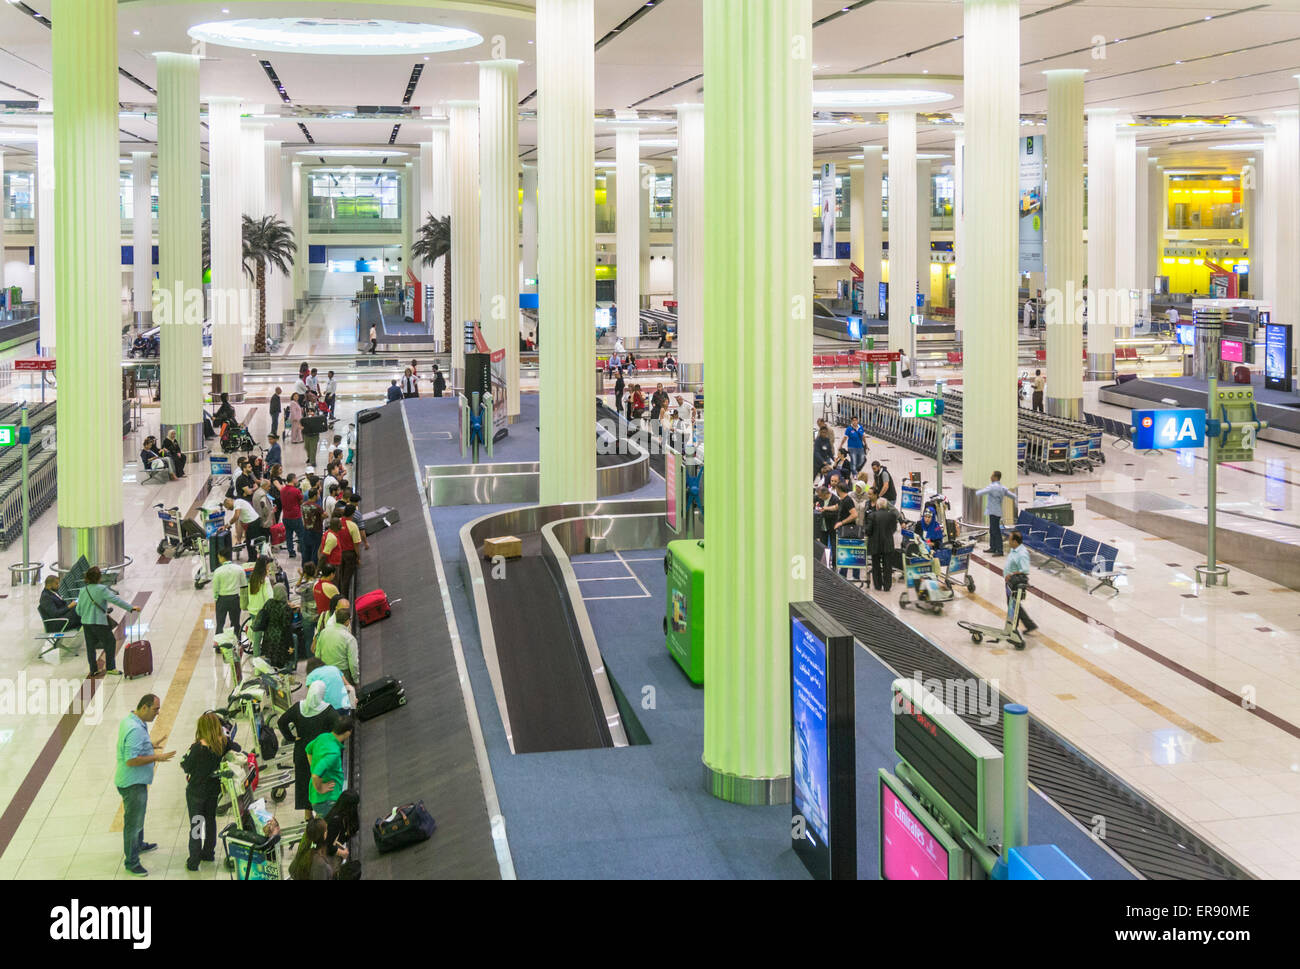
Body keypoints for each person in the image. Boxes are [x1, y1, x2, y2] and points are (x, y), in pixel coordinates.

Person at [115, 694, 174, 876]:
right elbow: (131, 760)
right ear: (144, 708)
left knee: (138, 816)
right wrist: (157, 757)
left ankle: (138, 845)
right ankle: (132, 862)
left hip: (134, 781)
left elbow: (133, 747)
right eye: (155, 709)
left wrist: (150, 745)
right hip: (132, 783)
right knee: (133, 823)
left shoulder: (132, 720)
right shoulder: (135, 729)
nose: (158, 713)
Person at [181, 712, 239, 871]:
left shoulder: (197, 748)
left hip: (196, 792)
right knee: (210, 821)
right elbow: (238, 748)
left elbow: (185, 765)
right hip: (213, 790)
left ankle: (194, 860)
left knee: (196, 825)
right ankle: (208, 853)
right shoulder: (222, 743)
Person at [76, 567, 140, 677]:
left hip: (86, 623)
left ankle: (93, 670)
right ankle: (110, 667)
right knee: (110, 642)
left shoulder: (83, 590)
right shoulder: (101, 589)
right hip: (99, 623)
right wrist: (130, 607)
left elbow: (78, 610)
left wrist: (86, 614)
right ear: (99, 578)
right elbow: (116, 600)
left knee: (90, 647)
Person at [306, 716, 354, 817]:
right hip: (327, 800)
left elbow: (308, 749)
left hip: (316, 797)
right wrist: (321, 788)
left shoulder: (323, 737)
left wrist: (313, 767)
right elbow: (316, 775)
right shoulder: (333, 753)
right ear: (347, 733)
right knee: (329, 825)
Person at [314, 602, 360, 687]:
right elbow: (353, 663)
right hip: (343, 674)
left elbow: (317, 655)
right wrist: (356, 680)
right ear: (347, 621)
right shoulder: (349, 638)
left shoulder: (324, 632)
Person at [1004, 530, 1038, 636]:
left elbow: (1025, 570)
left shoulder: (1022, 554)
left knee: (1013, 605)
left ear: (1015, 541)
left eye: (1010, 539)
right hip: (1010, 583)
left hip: (1015, 584)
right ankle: (1027, 625)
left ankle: (1014, 627)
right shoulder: (1014, 549)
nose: (1008, 541)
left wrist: (1011, 574)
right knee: (1013, 604)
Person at [976, 470, 1015, 557]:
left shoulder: (994, 487)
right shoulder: (1001, 487)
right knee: (992, 530)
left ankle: (999, 550)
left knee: (996, 531)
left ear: (996, 477)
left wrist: (976, 493)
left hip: (994, 512)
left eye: (992, 475)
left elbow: (981, 492)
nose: (990, 477)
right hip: (994, 511)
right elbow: (1011, 495)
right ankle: (993, 547)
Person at [830, 480, 862, 583]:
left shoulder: (848, 500)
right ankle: (843, 574)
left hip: (848, 530)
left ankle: (855, 576)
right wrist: (825, 508)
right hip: (843, 530)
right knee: (844, 551)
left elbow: (854, 514)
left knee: (850, 551)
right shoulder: (842, 500)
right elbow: (836, 507)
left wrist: (841, 522)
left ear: (838, 489)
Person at [211, 546, 245, 636]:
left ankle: (219, 642)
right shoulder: (239, 569)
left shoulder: (218, 571)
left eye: (219, 557)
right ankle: (237, 640)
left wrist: (216, 599)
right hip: (235, 599)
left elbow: (215, 589)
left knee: (220, 624)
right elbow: (244, 585)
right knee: (236, 624)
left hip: (222, 600)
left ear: (222, 557)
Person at [245, 556, 274, 658]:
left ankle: (256, 658)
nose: (269, 569)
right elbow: (269, 598)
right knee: (267, 635)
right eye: (268, 567)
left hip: (252, 611)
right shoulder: (264, 580)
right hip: (261, 612)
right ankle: (263, 658)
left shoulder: (252, 578)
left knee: (256, 638)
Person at [868, 497, 898, 592]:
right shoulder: (892, 516)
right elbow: (894, 529)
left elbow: (868, 530)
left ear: (877, 506)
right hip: (888, 543)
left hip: (875, 543)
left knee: (876, 565)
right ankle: (887, 586)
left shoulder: (872, 515)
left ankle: (878, 585)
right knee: (887, 566)